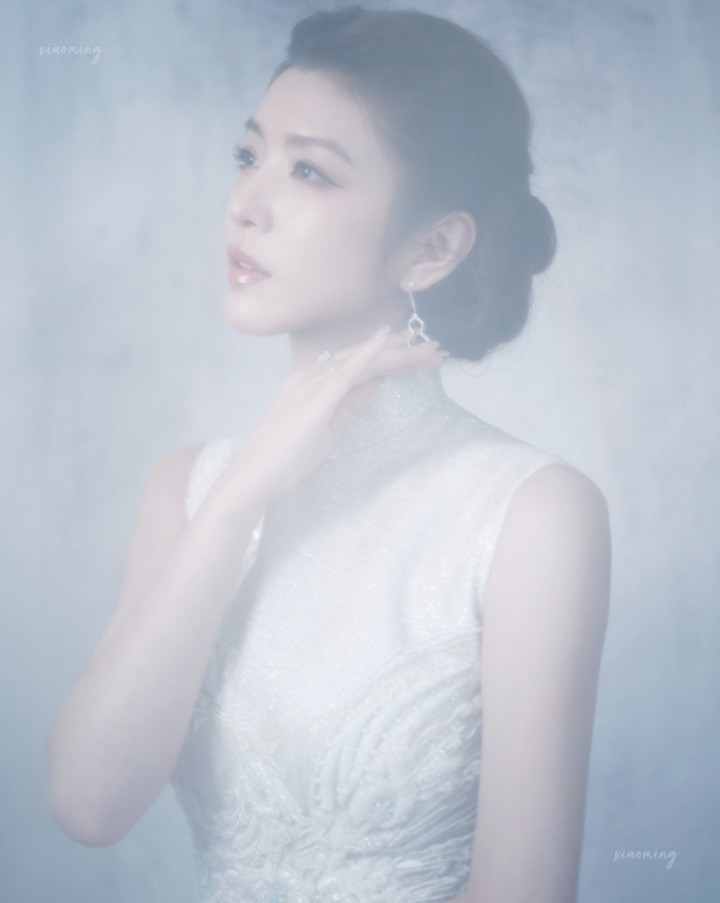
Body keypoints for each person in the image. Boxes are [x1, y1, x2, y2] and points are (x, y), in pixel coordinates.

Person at [49, 6, 611, 903]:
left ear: (432, 247)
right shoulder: (188, 489)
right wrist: (239, 499)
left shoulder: (531, 511)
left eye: (309, 170)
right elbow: (88, 804)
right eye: (248, 155)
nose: (245, 204)